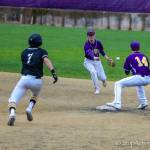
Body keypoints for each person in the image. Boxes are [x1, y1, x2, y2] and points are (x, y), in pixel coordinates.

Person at [7, 33, 58, 126]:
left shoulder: (24, 52)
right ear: (40, 42)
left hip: (24, 79)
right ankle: (29, 108)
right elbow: (46, 60)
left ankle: (12, 114)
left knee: (12, 99)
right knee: (35, 95)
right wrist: (53, 73)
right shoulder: (42, 51)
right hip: (37, 81)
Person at [96, 41, 150, 111]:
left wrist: (129, 68)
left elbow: (126, 72)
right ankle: (143, 102)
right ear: (139, 48)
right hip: (148, 78)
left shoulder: (130, 57)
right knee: (139, 84)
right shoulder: (145, 56)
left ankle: (117, 104)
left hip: (139, 77)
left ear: (131, 48)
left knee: (118, 84)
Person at [83, 27, 115, 95]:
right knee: (93, 72)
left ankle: (103, 80)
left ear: (95, 35)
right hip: (88, 62)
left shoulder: (98, 43)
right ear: (87, 36)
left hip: (97, 61)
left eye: (92, 35)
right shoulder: (86, 44)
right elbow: (89, 54)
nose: (91, 36)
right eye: (89, 35)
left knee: (102, 77)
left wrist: (107, 58)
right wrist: (95, 58)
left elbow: (101, 51)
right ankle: (97, 88)